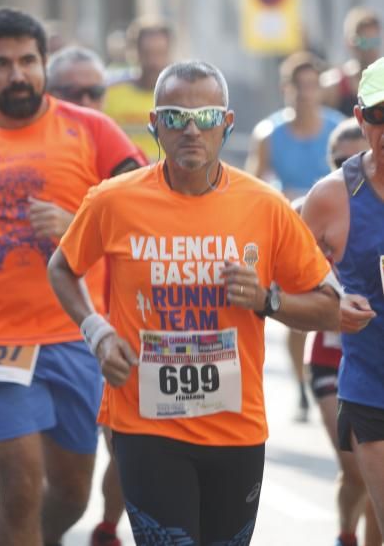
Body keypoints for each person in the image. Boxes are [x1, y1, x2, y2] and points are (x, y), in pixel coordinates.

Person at [47, 59, 349, 546]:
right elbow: (61, 266)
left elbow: (331, 306)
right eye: (174, 116)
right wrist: (97, 333)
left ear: (227, 124)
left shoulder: (264, 206)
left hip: (237, 429)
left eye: (206, 118)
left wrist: (267, 299)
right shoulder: (113, 201)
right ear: (153, 125)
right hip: (145, 426)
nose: (191, 129)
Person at [0, 7, 145, 546]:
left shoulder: (93, 130)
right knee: (20, 487)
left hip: (78, 334)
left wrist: (78, 226)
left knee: (69, 493)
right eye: (1, 63)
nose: (16, 74)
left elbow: (146, 214)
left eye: (27, 61)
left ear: (44, 64)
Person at [47, 45, 126, 546]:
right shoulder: (36, 149)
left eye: (94, 92)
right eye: (72, 93)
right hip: (55, 332)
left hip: (125, 322)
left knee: (128, 450)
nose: (86, 101)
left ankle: (107, 526)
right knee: (45, 484)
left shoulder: (122, 155)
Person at [302, 56, 384, 540]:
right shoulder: (333, 196)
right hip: (371, 385)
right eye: (379, 115)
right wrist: (330, 304)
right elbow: (285, 280)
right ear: (360, 117)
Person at [245, 50, 344, 422]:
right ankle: (304, 384)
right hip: (291, 231)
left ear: (321, 89)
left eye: (311, 86)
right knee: (295, 312)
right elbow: (257, 182)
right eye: (297, 86)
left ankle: (335, 379)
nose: (305, 93)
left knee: (331, 307)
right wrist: (280, 194)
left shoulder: (338, 128)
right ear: (285, 89)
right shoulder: (269, 133)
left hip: (332, 235)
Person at [104, 17, 173, 161]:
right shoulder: (110, 95)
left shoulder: (179, 97)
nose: (154, 62)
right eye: (148, 53)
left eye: (160, 53)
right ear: (134, 52)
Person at [321, 7, 382, 116]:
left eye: (374, 41)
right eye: (364, 42)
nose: (370, 49)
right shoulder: (333, 85)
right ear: (350, 42)